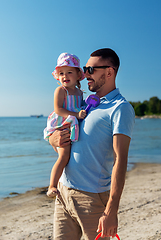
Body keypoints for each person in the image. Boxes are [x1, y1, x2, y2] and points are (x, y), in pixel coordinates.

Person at [48, 48, 135, 240]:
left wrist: (111, 211)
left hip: (91, 198)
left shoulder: (120, 108)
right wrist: (53, 140)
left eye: (91, 69)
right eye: (85, 69)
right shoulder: (85, 103)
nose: (85, 74)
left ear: (109, 72)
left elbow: (120, 160)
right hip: (63, 192)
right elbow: (66, 138)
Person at [43, 53, 87, 198]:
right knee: (63, 156)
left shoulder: (80, 93)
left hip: (72, 125)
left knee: (70, 155)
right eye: (61, 73)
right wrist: (76, 115)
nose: (65, 76)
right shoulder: (61, 90)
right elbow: (58, 110)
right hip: (61, 124)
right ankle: (52, 186)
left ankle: (68, 182)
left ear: (77, 74)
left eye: (69, 72)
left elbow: (81, 109)